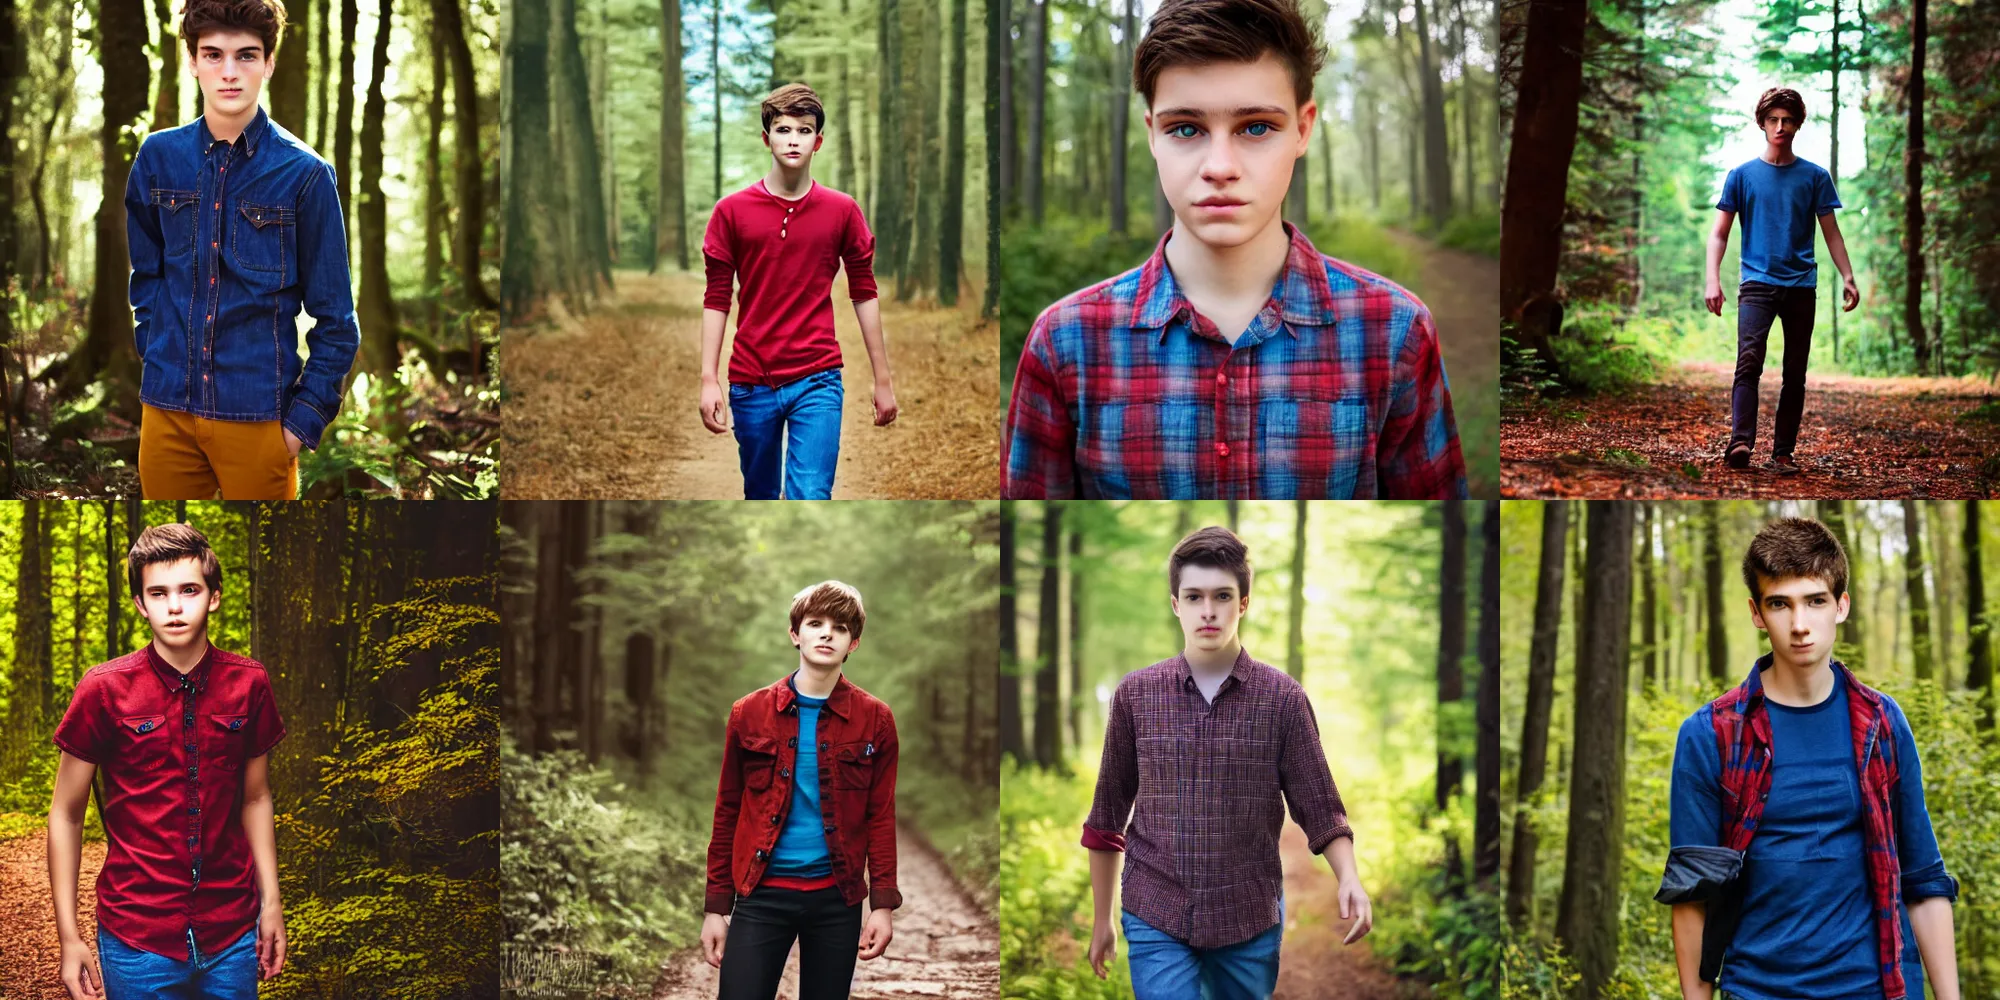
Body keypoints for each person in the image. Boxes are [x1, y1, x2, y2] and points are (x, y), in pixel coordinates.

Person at [1001, 0, 1465, 500]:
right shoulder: (1064, 342)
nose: (1219, 165)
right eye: (1186, 129)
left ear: (1303, 129)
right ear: (1152, 134)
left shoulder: (1395, 329)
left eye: (1256, 127)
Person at [1658, 517, 1959, 1000]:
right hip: (1757, 988)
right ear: (1757, 613)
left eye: (1815, 601)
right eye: (1780, 604)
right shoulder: (1711, 734)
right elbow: (1694, 896)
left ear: (1841, 606)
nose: (1799, 625)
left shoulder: (1882, 723)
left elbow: (1922, 879)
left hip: (1876, 986)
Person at [1081, 527, 1371, 1000]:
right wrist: (1102, 921)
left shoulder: (1283, 699)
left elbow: (1320, 806)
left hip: (1249, 917)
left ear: (1244, 603)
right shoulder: (1135, 696)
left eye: (1222, 596)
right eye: (1194, 597)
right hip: (1156, 910)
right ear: (1176, 603)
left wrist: (1351, 878)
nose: (1208, 611)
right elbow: (1106, 818)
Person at [127, 0, 360, 500]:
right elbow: (147, 279)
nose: (229, 73)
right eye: (213, 55)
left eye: (246, 56)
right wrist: (153, 351)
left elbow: (337, 320)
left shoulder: (306, 175)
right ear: (191, 61)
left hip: (259, 420)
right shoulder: (156, 159)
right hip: (165, 414)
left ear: (269, 63)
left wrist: (301, 423)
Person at [48, 523, 288, 999]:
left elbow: (256, 797)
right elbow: (66, 813)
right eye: (158, 593)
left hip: (232, 933)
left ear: (214, 597)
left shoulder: (250, 683)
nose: (174, 607)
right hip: (137, 935)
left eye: (189, 590)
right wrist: (69, 936)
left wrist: (271, 902)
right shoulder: (103, 689)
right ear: (140, 603)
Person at [697, 84, 899, 500]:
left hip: (818, 377)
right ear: (766, 137)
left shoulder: (842, 211)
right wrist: (708, 379)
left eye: (804, 130)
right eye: (783, 128)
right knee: (761, 494)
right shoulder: (731, 212)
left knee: (811, 494)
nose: (793, 138)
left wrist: (883, 380)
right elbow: (717, 297)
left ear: (818, 141)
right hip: (751, 381)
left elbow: (864, 292)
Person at [700, 581, 900, 999]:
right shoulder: (748, 713)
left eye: (840, 627)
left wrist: (881, 905)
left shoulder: (875, 719)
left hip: (836, 899)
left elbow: (879, 816)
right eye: (815, 623)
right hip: (761, 894)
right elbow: (727, 810)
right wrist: (716, 909)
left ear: (853, 643)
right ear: (796, 634)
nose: (827, 633)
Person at [1703, 88, 1860, 475]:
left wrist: (1849, 275)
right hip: (1756, 284)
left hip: (1801, 285)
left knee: (1795, 371)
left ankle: (1783, 453)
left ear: (1797, 124)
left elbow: (1832, 232)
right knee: (1748, 364)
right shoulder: (1740, 176)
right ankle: (1740, 443)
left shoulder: (1815, 177)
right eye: (1773, 120)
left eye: (1787, 120)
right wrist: (1712, 280)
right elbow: (1719, 233)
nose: (1780, 127)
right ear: (1762, 123)